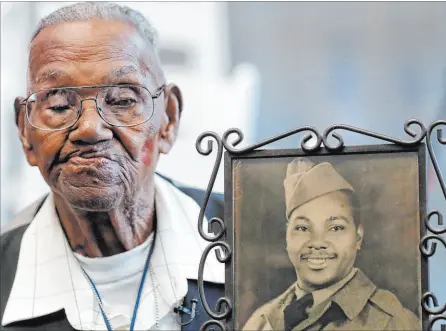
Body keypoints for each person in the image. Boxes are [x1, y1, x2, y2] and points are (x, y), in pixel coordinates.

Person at [0, 3, 225, 331]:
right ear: (25, 131)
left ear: (169, 119)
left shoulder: (258, 239)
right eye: (60, 105)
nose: (90, 128)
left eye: (122, 100)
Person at [242, 158, 421, 331]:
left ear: (358, 237)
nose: (317, 242)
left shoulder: (393, 323)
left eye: (335, 228)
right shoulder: (260, 322)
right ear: (287, 238)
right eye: (302, 227)